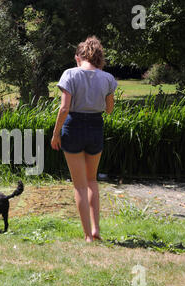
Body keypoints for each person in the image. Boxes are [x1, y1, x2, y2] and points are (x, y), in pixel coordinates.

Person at [51, 36, 117, 243]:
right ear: (98, 58)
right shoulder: (107, 78)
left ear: (79, 57)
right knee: (92, 181)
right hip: (96, 127)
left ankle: (88, 235)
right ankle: (96, 229)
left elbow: (64, 108)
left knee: (79, 185)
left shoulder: (69, 74)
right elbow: (109, 110)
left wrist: (55, 134)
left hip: (74, 127)